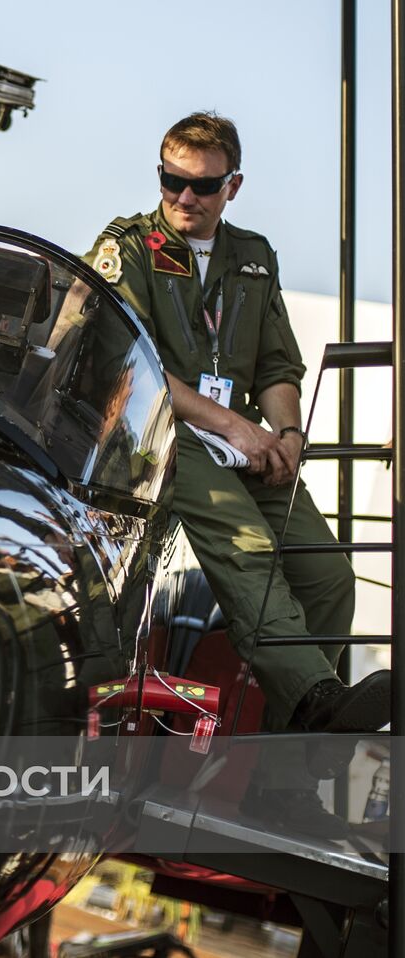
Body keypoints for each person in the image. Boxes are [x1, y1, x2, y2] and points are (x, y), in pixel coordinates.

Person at [85, 112, 389, 836]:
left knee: (327, 577)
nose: (184, 199)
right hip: (164, 438)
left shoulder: (252, 256)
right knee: (251, 556)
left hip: (245, 439)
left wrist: (285, 433)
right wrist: (236, 427)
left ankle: (286, 775)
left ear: (233, 186)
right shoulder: (124, 249)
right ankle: (316, 701)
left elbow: (279, 362)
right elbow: (137, 366)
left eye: (203, 186)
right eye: (172, 181)